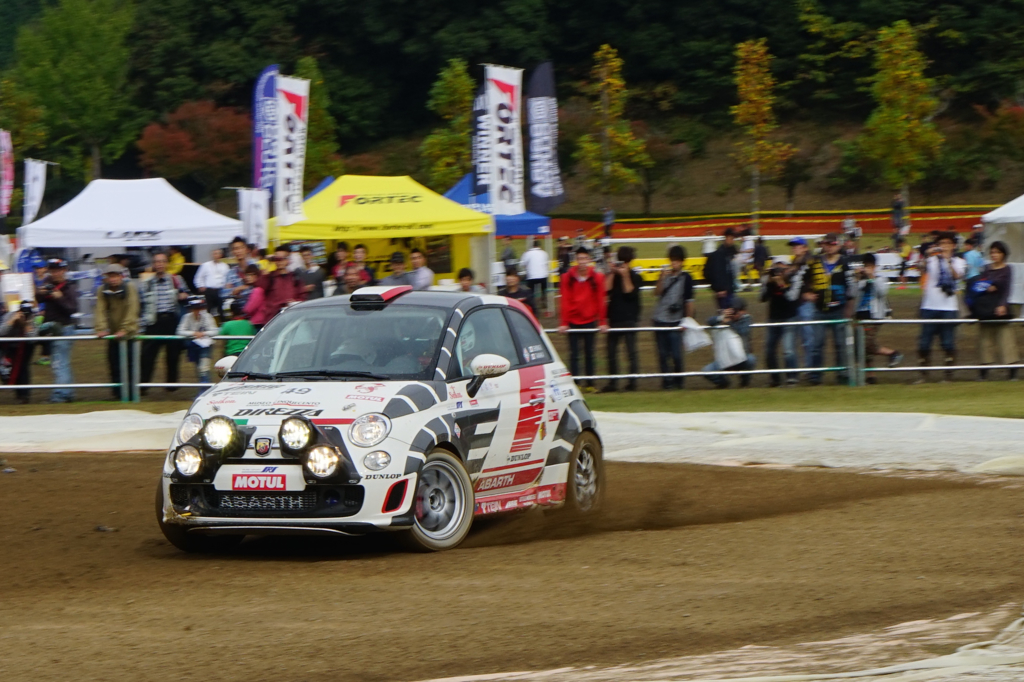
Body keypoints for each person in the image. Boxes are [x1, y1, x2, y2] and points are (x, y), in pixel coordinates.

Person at [790, 233, 855, 385]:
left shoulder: (845, 263)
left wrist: (849, 308)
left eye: (832, 244)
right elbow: (799, 278)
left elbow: (852, 287)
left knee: (840, 344)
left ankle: (842, 374)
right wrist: (805, 294)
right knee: (816, 344)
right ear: (823, 245)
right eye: (827, 244)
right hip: (819, 310)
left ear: (838, 246)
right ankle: (815, 376)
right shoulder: (814, 262)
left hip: (839, 310)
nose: (829, 247)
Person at [916, 231, 966, 383]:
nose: (944, 247)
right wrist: (926, 255)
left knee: (948, 342)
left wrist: (947, 261)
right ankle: (923, 375)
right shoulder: (932, 260)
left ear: (954, 246)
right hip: (929, 306)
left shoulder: (959, 261)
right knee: (924, 343)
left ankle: (948, 375)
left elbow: (957, 276)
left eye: (947, 244)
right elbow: (920, 268)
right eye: (942, 243)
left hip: (949, 308)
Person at [558, 247, 608, 392]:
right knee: (574, 354)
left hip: (590, 320)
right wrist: (564, 322)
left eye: (585, 259)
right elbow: (565, 300)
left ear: (589, 260)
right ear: (576, 260)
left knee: (589, 353)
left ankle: (591, 383)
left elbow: (601, 299)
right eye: (580, 259)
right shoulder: (567, 278)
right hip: (573, 321)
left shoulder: (597, 277)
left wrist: (602, 321)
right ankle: (576, 383)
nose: (582, 262)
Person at [140, 252, 189, 392]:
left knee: (173, 356)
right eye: (157, 261)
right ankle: (143, 386)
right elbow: (142, 304)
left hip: (172, 321)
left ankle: (172, 386)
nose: (159, 264)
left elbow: (187, 294)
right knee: (147, 356)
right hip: (153, 322)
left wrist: (183, 295)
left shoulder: (176, 279)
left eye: (162, 261)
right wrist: (142, 323)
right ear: (153, 264)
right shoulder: (147, 283)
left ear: (167, 263)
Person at [93, 264, 140, 400]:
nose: (113, 279)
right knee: (114, 364)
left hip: (129, 334)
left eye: (115, 276)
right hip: (113, 335)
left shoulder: (130, 288)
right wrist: (101, 328)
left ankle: (132, 393)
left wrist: (125, 328)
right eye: (110, 276)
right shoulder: (102, 290)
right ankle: (118, 394)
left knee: (130, 365)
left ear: (121, 276)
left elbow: (133, 308)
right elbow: (100, 310)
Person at [651, 245, 695, 390]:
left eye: (677, 261)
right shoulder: (665, 276)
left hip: (676, 321)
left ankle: (678, 380)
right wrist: (661, 278)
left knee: (676, 354)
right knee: (663, 355)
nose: (674, 263)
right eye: (672, 260)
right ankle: (666, 381)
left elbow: (689, 302)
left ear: (682, 261)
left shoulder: (686, 278)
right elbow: (656, 293)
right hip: (660, 319)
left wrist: (687, 320)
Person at [602, 245, 644, 393]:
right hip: (614, 317)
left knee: (631, 352)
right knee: (611, 353)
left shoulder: (636, 277)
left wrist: (625, 275)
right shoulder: (613, 276)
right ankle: (613, 382)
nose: (623, 265)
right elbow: (605, 289)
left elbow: (629, 292)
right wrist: (613, 273)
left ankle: (632, 382)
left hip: (630, 318)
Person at [36, 258, 79, 403]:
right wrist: (41, 292)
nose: (54, 273)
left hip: (64, 328)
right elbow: (38, 298)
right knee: (61, 361)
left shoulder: (69, 287)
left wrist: (59, 297)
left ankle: (60, 395)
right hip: (52, 329)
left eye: (57, 270)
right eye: (52, 271)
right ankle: (68, 392)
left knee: (60, 362)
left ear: (64, 270)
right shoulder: (47, 283)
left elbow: (72, 309)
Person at [974, 241, 1018, 380]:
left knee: (1006, 339)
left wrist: (1003, 304)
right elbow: (980, 285)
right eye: (992, 252)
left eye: (997, 252)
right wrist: (988, 286)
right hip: (986, 307)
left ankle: (1012, 371)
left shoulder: (1008, 269)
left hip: (1001, 307)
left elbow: (1007, 289)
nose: (994, 255)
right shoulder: (986, 268)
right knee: (985, 340)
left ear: (1003, 254)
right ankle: (984, 371)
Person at [856, 253, 902, 384]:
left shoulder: (881, 279)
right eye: (865, 266)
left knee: (867, 344)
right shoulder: (860, 280)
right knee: (862, 345)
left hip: (874, 315)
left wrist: (872, 277)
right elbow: (853, 294)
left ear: (875, 267)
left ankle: (892, 353)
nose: (867, 268)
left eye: (870, 266)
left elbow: (882, 292)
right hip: (860, 314)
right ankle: (871, 375)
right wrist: (857, 278)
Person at [702, 298, 755, 389]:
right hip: (724, 359)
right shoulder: (723, 318)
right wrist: (721, 317)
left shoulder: (747, 319)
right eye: (732, 311)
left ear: (743, 311)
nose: (733, 314)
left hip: (741, 358)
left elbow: (743, 331)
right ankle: (724, 383)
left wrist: (730, 322)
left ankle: (744, 381)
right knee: (707, 371)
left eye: (736, 311)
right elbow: (709, 321)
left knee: (751, 359)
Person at [762, 261, 799, 387]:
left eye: (782, 269)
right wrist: (766, 281)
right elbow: (762, 298)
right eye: (776, 268)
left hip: (789, 317)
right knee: (769, 350)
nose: (779, 272)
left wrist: (782, 285)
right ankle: (775, 378)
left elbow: (791, 298)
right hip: (773, 318)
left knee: (788, 349)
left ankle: (792, 377)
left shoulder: (793, 279)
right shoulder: (770, 282)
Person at [250, 246, 305, 325]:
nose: (279, 262)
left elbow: (302, 296)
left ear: (288, 260)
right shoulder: (270, 276)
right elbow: (260, 287)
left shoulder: (295, 277)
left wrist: (295, 302)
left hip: (292, 318)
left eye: (282, 259)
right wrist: (267, 267)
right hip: (274, 319)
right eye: (277, 259)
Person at [0, 300, 37, 404]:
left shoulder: (32, 319)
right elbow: (1, 332)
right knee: (5, 368)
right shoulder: (9, 316)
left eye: (27, 313)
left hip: (24, 346)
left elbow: (33, 338)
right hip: (7, 345)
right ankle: (10, 383)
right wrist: (11, 322)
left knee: (23, 368)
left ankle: (24, 395)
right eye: (22, 312)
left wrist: (26, 327)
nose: (24, 315)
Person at [177, 296, 219, 385]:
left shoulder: (207, 316)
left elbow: (215, 331)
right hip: (194, 345)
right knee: (198, 368)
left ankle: (204, 390)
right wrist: (193, 333)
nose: (197, 310)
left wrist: (203, 333)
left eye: (199, 308)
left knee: (204, 368)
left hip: (206, 345)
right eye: (195, 308)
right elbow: (179, 331)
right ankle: (203, 388)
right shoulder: (186, 317)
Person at [705, 227, 737, 307]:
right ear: (727, 238)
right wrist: (719, 289)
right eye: (732, 238)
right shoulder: (720, 255)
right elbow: (717, 272)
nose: (733, 241)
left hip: (728, 289)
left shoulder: (728, 252)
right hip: (724, 292)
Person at [194, 249, 229, 320]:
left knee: (221, 310)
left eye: (218, 253)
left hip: (221, 290)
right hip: (209, 291)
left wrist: (227, 286)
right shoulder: (206, 265)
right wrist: (200, 286)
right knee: (208, 310)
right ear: (212, 255)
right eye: (215, 254)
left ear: (221, 255)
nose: (217, 255)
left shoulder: (225, 266)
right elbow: (198, 277)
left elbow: (228, 277)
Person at [519, 239, 550, 314]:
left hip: (532, 276)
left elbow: (522, 264)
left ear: (532, 246)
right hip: (543, 275)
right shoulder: (544, 253)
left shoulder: (528, 253)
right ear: (539, 246)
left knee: (531, 293)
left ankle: (533, 305)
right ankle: (543, 298)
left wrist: (526, 268)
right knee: (543, 290)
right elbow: (546, 264)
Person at [224, 237, 257, 303]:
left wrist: (239, 289)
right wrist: (236, 289)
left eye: (241, 248)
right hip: (239, 309)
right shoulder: (231, 273)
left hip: (255, 307)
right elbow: (224, 293)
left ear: (247, 250)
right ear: (232, 252)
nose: (238, 251)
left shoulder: (256, 267)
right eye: (235, 249)